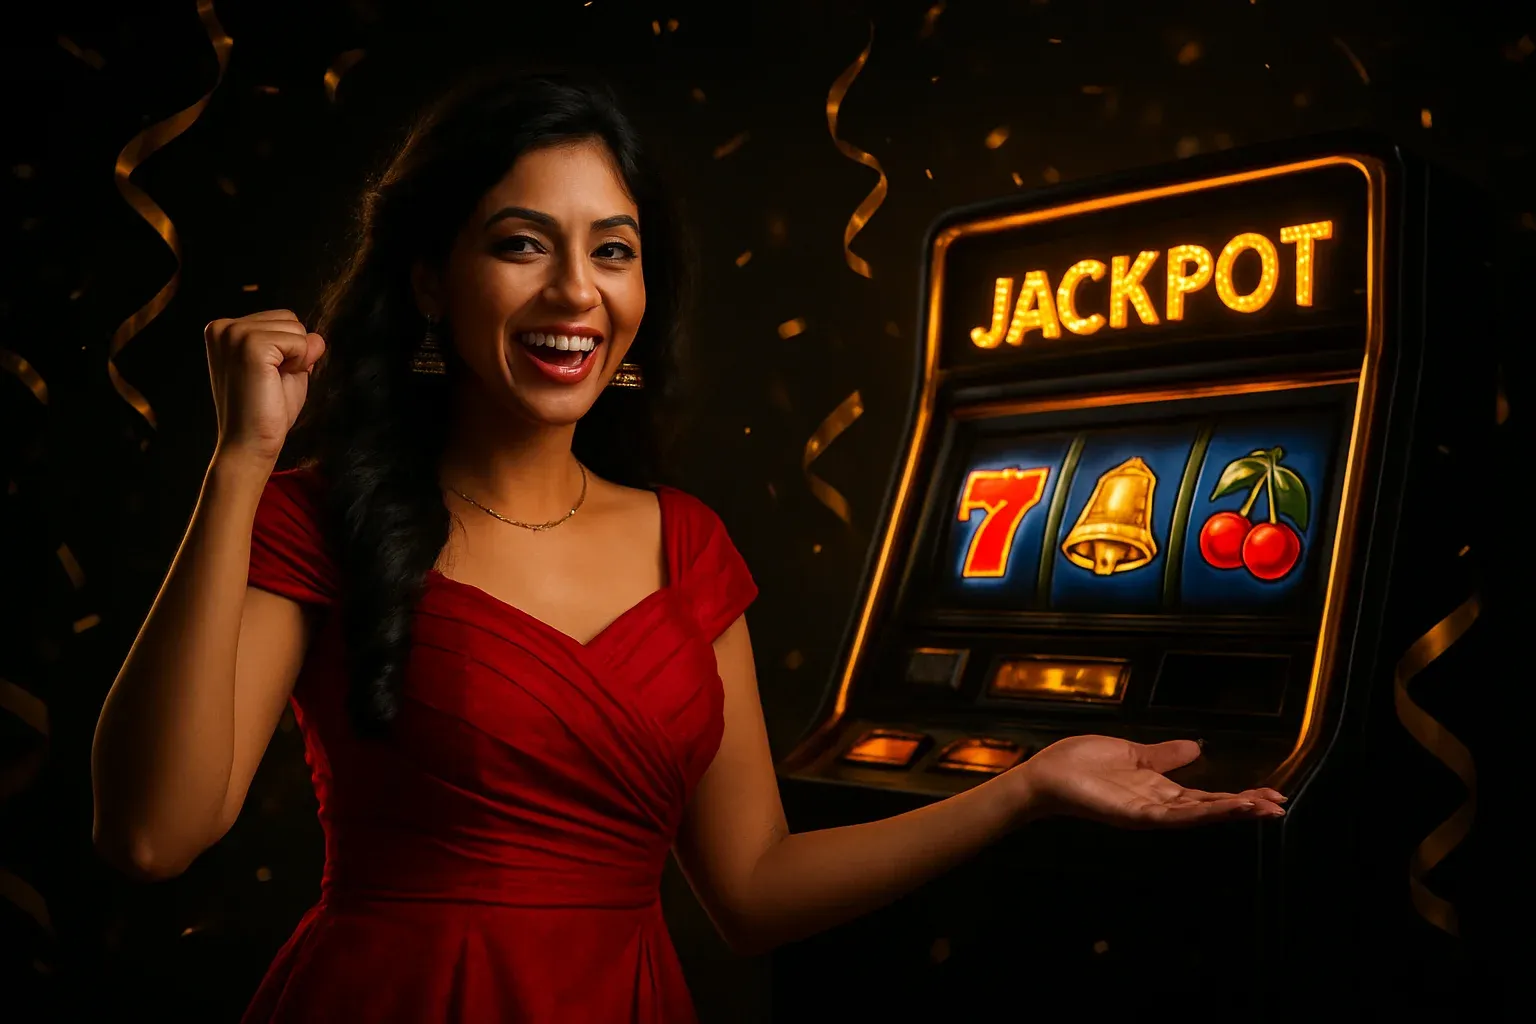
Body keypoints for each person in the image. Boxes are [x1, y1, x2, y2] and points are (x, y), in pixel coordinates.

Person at [90, 72, 1287, 1023]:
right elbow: (154, 834)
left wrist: (1023, 791)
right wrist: (238, 466)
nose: (576, 293)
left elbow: (756, 891)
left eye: (612, 250)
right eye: (521, 243)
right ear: (429, 280)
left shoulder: (690, 543)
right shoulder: (317, 511)